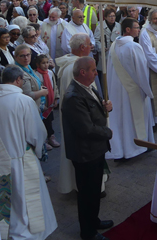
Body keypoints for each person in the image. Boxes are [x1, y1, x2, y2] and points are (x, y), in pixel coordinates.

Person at [0, 65, 58, 240]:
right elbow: (36, 132)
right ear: (17, 80)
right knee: (24, 198)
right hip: (21, 156)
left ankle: (6, 230)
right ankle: (25, 232)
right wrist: (38, 147)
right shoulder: (23, 100)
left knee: (6, 196)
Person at [61, 57, 114, 240]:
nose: (95, 72)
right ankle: (88, 232)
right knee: (87, 194)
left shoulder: (87, 87)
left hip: (95, 150)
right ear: (82, 72)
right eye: (92, 70)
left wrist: (106, 106)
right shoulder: (74, 96)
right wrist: (108, 132)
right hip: (85, 152)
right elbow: (86, 129)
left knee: (94, 191)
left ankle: (94, 220)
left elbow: (96, 108)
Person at [106, 18, 154, 159]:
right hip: (134, 91)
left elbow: (109, 69)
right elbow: (142, 71)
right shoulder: (134, 47)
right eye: (136, 27)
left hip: (116, 89)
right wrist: (147, 90)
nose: (139, 29)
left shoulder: (114, 45)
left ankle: (122, 149)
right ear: (128, 29)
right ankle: (138, 146)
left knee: (121, 120)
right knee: (134, 119)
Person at [56, 33, 94, 194]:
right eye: (89, 44)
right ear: (82, 48)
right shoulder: (76, 68)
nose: (92, 46)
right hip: (82, 120)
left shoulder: (71, 64)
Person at [35, 54, 60, 149]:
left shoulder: (50, 73)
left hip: (50, 101)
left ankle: (51, 136)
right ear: (38, 64)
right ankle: (44, 139)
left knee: (50, 120)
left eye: (47, 62)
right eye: (43, 63)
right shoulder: (36, 75)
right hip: (43, 102)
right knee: (43, 121)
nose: (46, 65)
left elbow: (54, 86)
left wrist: (56, 98)